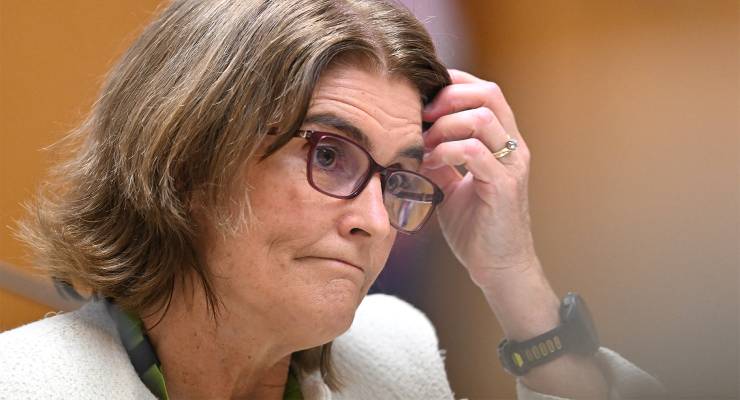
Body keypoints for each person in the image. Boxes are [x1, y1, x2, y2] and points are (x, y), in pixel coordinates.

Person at [0, 1, 665, 399]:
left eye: (399, 177)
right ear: (188, 155)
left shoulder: (395, 358)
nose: (376, 222)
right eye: (327, 155)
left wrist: (514, 278)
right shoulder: (25, 384)